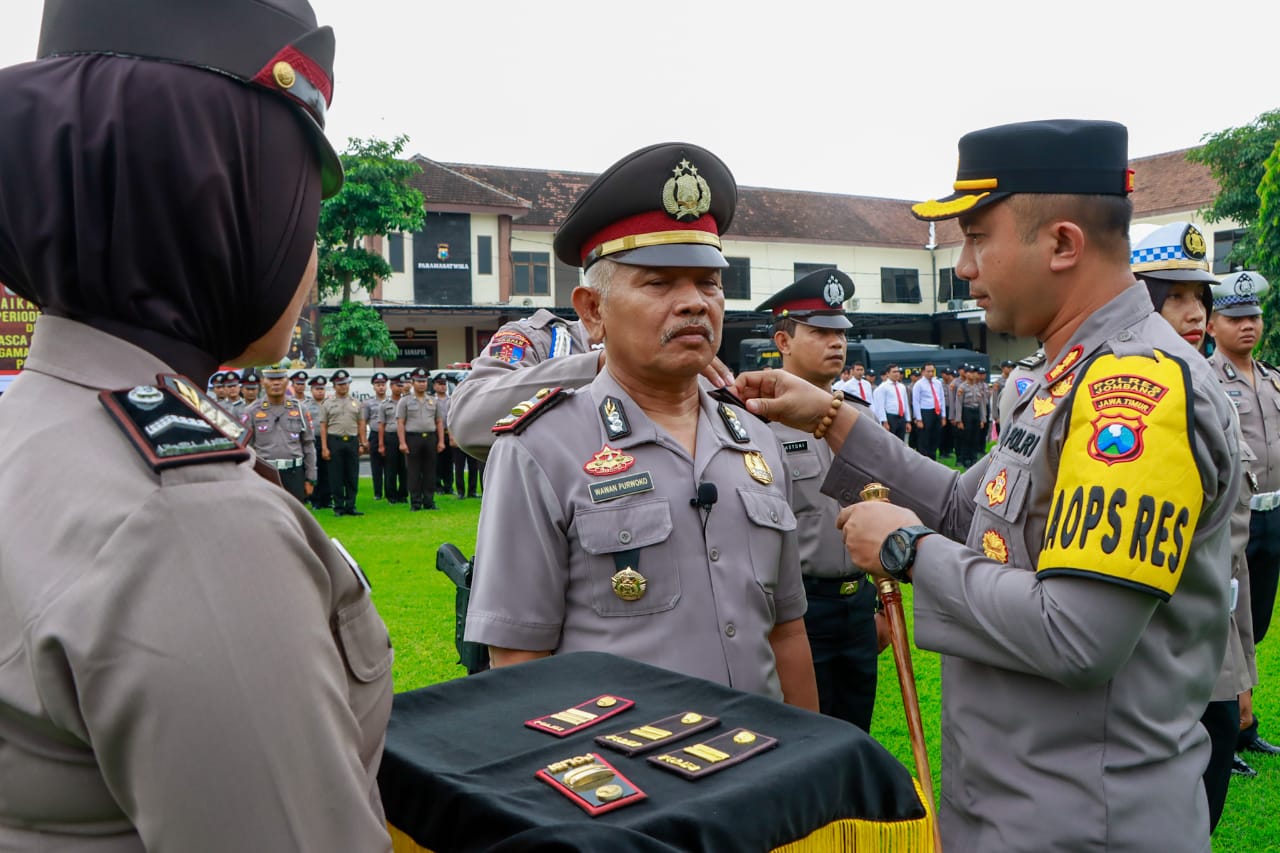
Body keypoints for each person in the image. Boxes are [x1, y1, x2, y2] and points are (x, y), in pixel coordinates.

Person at [735, 119, 1239, 850]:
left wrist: (907, 549)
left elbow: (1078, 634)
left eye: (978, 237)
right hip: (1019, 804)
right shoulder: (1065, 376)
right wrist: (833, 420)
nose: (963, 266)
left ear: (1062, 244)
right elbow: (971, 510)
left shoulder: (1133, 391)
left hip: (1083, 822)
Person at [0, 1, 394, 849]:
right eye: (302, 207)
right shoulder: (186, 522)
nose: (313, 256)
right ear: (223, 206)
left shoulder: (35, 426)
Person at [465, 142, 818, 709]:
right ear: (592, 311)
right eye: (659, 283)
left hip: (767, 771)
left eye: (709, 283)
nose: (694, 304)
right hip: (630, 784)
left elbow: (786, 632)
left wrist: (814, 775)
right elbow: (520, 665)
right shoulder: (542, 449)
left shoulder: (755, 441)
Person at [1132, 221, 1257, 827]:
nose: (1192, 312)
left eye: (1198, 298)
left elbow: (1232, 548)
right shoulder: (1133, 387)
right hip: (1161, 627)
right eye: (1174, 297)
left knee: (1219, 742)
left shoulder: (1205, 381)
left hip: (1219, 611)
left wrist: (1243, 663)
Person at [756, 269, 882, 728]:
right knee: (807, 737)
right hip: (796, 614)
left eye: (841, 333)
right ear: (783, 342)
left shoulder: (860, 419)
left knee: (855, 732)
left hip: (858, 608)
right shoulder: (757, 424)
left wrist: (875, 605)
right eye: (821, 332)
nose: (836, 343)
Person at [1207, 270, 1280, 769]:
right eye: (1235, 318)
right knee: (1225, 625)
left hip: (1273, 517)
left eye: (1253, 316)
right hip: (1233, 520)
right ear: (1214, 325)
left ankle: (1245, 723)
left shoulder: (1274, 379)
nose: (1247, 326)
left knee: (1255, 624)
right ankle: (1224, 730)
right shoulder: (1204, 379)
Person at [246, 360, 318, 504]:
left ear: (287, 382)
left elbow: (308, 445)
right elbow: (247, 447)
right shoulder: (252, 411)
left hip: (294, 473)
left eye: (280, 378)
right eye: (271, 379)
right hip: (264, 473)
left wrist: (311, 477)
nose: (276, 383)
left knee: (295, 518)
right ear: (262, 382)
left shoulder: (300, 409)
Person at [397, 366, 444, 511]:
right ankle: (415, 502)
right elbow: (400, 422)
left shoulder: (433, 400)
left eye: (424, 381)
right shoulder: (405, 401)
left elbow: (439, 422)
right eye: (418, 381)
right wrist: (402, 442)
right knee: (413, 471)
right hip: (412, 438)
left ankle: (429, 501)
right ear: (412, 382)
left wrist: (441, 441)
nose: (422, 384)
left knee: (430, 470)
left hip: (430, 438)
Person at [321, 368, 366, 516]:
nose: (343, 386)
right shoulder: (327, 404)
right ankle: (339, 507)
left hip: (352, 441)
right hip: (334, 441)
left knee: (352, 475)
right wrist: (324, 447)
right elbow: (323, 426)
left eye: (345, 383)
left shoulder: (356, 403)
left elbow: (361, 424)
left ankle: (351, 506)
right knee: (336, 476)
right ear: (334, 386)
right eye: (340, 384)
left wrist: (361, 443)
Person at [304, 373, 332, 509]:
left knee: (328, 471)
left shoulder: (330, 403)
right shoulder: (306, 405)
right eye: (317, 388)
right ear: (311, 390)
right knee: (314, 470)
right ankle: (315, 500)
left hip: (327, 441)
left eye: (322, 388)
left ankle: (327, 499)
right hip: (312, 441)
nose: (320, 391)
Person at [381, 372, 409, 503]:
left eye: (402, 385)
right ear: (391, 386)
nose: (400, 388)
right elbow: (381, 425)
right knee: (391, 467)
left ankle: (403, 494)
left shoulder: (407, 402)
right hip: (391, 436)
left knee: (404, 467)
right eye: (397, 385)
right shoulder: (384, 404)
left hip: (404, 436)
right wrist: (381, 444)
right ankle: (391, 495)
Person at [911, 361, 946, 461]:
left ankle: (933, 457)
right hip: (925, 412)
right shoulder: (919, 384)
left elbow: (941, 398)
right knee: (924, 438)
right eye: (928, 371)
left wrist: (943, 416)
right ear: (923, 372)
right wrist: (919, 419)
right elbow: (916, 402)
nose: (930, 373)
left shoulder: (937, 383)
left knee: (935, 436)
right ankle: (924, 459)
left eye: (932, 371)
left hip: (936, 411)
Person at [364, 371, 390, 500]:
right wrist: (364, 440)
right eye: (378, 384)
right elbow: (364, 421)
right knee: (376, 466)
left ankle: (389, 491)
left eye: (383, 384)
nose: (381, 387)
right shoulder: (368, 403)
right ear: (373, 386)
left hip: (389, 435)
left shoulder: (392, 401)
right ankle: (377, 493)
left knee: (390, 466)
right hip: (374, 435)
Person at [872, 363, 912, 440]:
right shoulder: (883, 387)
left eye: (897, 372)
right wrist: (884, 421)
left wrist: (908, 421)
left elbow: (905, 404)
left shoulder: (902, 387)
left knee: (901, 441)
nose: (897, 374)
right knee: (891, 441)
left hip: (901, 417)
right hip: (890, 417)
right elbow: (880, 406)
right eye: (894, 372)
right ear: (887, 374)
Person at [433, 374, 455, 495]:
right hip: (435, 434)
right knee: (437, 462)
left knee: (449, 462)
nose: (442, 387)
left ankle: (449, 486)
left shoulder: (451, 399)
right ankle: (437, 486)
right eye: (440, 384)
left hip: (449, 433)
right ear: (434, 385)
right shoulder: (431, 400)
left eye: (444, 384)